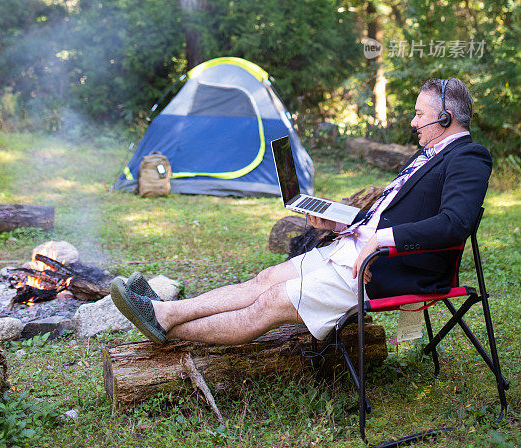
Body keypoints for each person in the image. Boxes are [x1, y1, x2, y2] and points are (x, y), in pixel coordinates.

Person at [110, 77, 492, 346]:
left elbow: (455, 224)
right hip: (355, 249)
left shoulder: (469, 157)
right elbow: (395, 210)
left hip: (391, 267)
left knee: (268, 305)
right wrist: (344, 219)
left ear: (446, 118)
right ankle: (165, 311)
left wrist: (380, 238)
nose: (413, 122)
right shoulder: (428, 152)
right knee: (264, 279)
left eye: (419, 114)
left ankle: (163, 322)